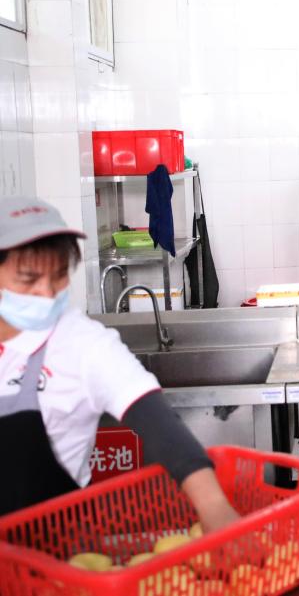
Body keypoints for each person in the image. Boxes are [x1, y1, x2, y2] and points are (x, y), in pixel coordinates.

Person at [0, 197, 238, 529]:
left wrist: (213, 506)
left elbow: (159, 423)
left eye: (58, 275)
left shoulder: (84, 344)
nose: (47, 292)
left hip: (53, 546)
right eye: (28, 279)